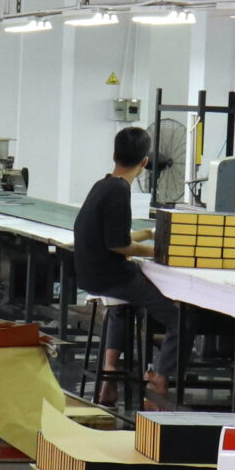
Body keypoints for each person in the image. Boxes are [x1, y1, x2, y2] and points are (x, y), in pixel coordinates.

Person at [71, 126, 179, 405]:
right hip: (112, 276)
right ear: (145, 162)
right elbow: (118, 245)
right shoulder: (120, 191)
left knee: (120, 308)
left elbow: (112, 236)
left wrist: (147, 233)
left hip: (92, 275)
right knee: (179, 318)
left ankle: (109, 376)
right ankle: (160, 377)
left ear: (114, 155)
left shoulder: (103, 184)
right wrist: (158, 251)